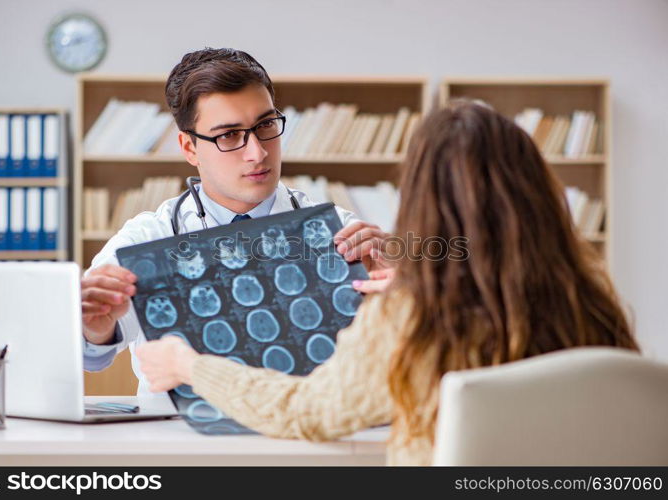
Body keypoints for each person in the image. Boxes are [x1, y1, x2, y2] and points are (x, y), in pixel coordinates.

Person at [136, 99, 639, 465]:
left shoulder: (411, 316)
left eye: (266, 127)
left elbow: (305, 412)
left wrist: (190, 364)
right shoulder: (590, 293)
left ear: (423, 201)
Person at [81, 48, 389, 395]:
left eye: (266, 125)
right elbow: (89, 356)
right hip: (178, 439)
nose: (257, 152)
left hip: (300, 436)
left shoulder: (338, 231)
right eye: (229, 135)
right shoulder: (148, 237)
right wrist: (96, 329)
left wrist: (402, 300)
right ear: (189, 148)